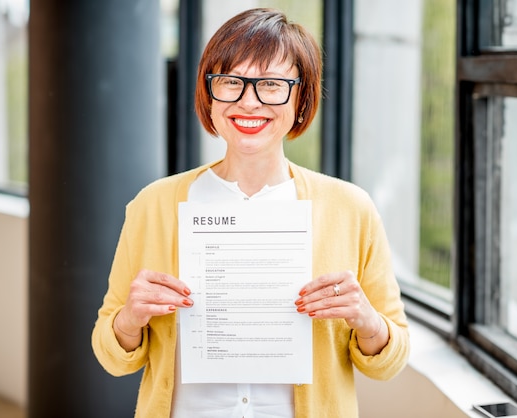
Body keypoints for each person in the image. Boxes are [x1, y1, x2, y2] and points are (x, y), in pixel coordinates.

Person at [92, 7, 410, 418]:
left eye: (272, 85)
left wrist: (367, 320)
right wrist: (129, 320)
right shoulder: (153, 206)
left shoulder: (350, 209)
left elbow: (392, 359)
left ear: (301, 98)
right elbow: (111, 355)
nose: (249, 101)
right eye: (230, 82)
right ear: (209, 94)